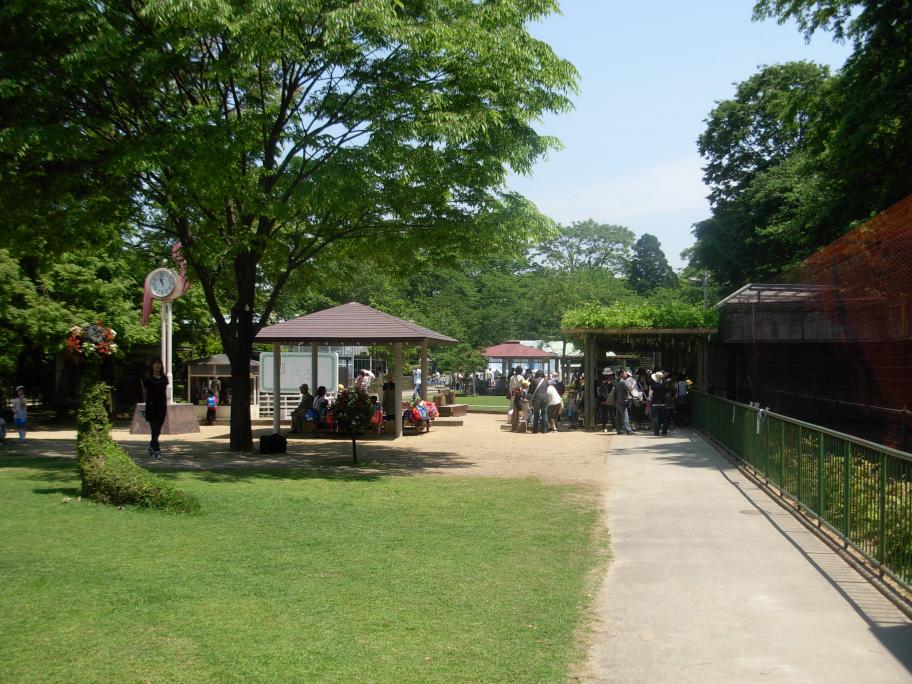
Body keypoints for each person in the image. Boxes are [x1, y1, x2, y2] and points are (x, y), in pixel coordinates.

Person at [141, 358, 168, 459]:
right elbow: (145, 392)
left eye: (159, 363)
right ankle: (157, 451)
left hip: (161, 407)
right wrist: (145, 403)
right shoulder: (148, 379)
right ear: (152, 365)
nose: (157, 365)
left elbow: (164, 392)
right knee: (155, 429)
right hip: (151, 406)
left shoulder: (164, 378)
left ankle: (151, 446)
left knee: (158, 431)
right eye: (155, 363)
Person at [649, 371, 669, 436]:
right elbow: (667, 394)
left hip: (655, 404)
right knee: (664, 419)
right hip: (663, 404)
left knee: (655, 419)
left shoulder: (652, 386)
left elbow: (650, 396)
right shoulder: (664, 386)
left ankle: (656, 432)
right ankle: (664, 432)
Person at [528, 370, 549, 434]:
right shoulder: (546, 381)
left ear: (536, 374)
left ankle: (535, 430)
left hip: (537, 399)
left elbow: (530, 391)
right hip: (545, 399)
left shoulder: (534, 380)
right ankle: (544, 430)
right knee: (544, 414)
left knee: (536, 414)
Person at [614, 369, 633, 435]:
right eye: (625, 373)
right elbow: (628, 389)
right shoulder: (623, 382)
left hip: (617, 401)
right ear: (621, 374)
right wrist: (632, 386)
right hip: (623, 402)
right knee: (625, 416)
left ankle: (618, 430)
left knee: (618, 417)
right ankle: (628, 430)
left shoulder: (616, 381)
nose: (626, 374)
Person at [508, 366, 525, 432]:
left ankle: (513, 427)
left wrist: (512, 395)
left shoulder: (512, 377)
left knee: (514, 411)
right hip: (519, 395)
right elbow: (524, 387)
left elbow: (510, 388)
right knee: (520, 410)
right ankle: (519, 427)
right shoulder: (521, 377)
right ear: (521, 371)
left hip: (513, 395)